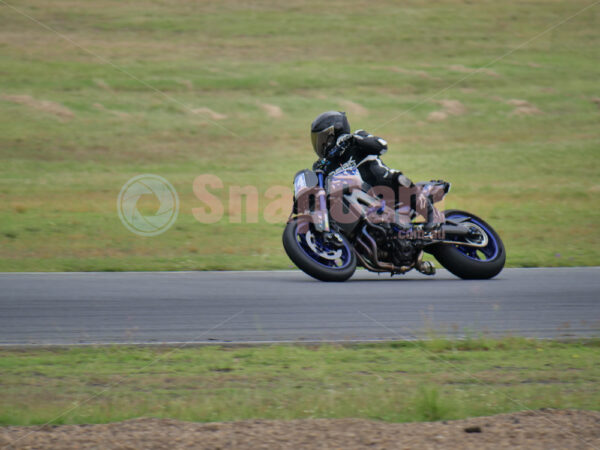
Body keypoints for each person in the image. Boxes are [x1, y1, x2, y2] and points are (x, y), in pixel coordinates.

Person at [310, 111, 444, 229]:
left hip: (380, 183)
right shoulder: (324, 166)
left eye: (322, 138)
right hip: (357, 203)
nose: (320, 144)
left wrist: (354, 140)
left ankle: (432, 215)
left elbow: (382, 146)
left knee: (392, 177)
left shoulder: (356, 138)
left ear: (336, 132)